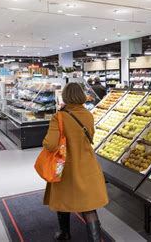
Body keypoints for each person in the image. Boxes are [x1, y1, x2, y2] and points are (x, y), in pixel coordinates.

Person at [43, 83, 108, 242]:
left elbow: (50, 144)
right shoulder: (88, 115)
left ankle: (65, 234)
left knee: (62, 200)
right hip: (87, 165)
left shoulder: (59, 117)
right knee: (89, 207)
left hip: (65, 167)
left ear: (65, 96)